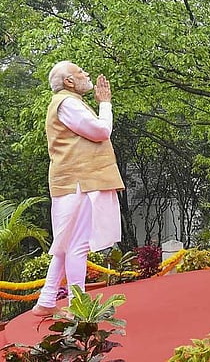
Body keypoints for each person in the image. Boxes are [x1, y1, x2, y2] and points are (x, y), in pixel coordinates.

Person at [32, 61, 124, 316]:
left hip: (71, 182)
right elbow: (100, 130)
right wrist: (105, 103)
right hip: (79, 183)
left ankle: (47, 301)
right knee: (77, 245)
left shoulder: (65, 102)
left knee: (65, 243)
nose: (87, 75)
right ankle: (77, 305)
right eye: (81, 72)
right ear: (69, 82)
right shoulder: (68, 103)